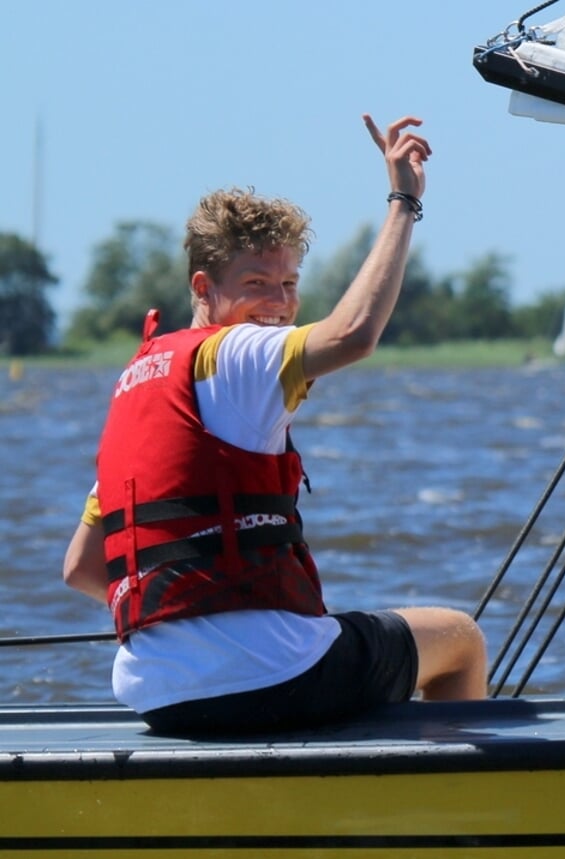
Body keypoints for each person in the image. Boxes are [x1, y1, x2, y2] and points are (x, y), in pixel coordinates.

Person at [61, 114, 487, 736]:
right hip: (270, 679)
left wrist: (195, 620)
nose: (280, 305)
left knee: (333, 638)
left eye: (289, 284)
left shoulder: (139, 387)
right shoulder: (238, 351)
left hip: (154, 690)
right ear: (204, 287)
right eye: (256, 283)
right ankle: (457, 820)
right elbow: (353, 335)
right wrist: (404, 203)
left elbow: (81, 568)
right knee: (460, 637)